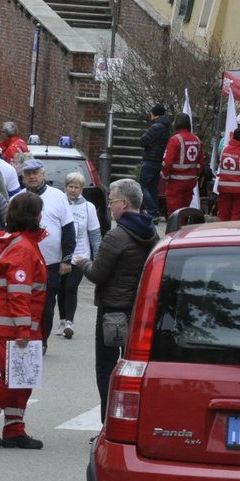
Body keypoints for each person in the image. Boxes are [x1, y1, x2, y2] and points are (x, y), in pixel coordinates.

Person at [0, 190, 48, 449]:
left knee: (23, 377)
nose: (41, 215)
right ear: (32, 216)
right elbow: (19, 292)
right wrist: (24, 329)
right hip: (14, 324)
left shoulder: (20, 243)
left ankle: (15, 428)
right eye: (39, 211)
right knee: (14, 377)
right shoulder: (24, 247)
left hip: (16, 322)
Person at [80, 178, 156, 419]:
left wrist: (83, 263)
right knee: (135, 366)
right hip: (139, 309)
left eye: (111, 201)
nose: (109, 206)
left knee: (107, 368)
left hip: (112, 311)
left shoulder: (116, 237)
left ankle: (107, 421)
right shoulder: (152, 233)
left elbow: (97, 274)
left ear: (124, 203)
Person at [18, 160, 74, 347]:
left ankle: (42, 340)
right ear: (23, 177)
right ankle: (27, 338)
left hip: (51, 263)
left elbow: (68, 229)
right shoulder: (17, 199)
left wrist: (66, 259)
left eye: (36, 173)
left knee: (47, 307)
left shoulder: (58, 196)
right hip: (24, 263)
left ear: (44, 175)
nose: (32, 177)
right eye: (28, 174)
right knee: (24, 303)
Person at [60, 171, 102, 339]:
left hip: (80, 255)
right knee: (61, 289)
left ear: (82, 189)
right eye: (70, 186)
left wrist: (97, 256)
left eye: (76, 187)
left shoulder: (88, 207)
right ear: (65, 187)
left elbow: (95, 234)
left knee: (71, 287)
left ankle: (70, 322)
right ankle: (62, 320)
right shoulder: (60, 203)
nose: (73, 190)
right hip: (61, 255)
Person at [160, 113, 203, 217]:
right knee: (184, 212)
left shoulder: (175, 140)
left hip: (176, 181)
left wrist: (164, 175)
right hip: (190, 182)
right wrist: (195, 175)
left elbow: (168, 161)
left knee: (174, 214)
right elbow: (201, 162)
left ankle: (175, 233)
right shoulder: (197, 140)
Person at [137, 104, 169, 217]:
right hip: (158, 161)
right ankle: (154, 212)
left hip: (150, 160)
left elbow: (142, 141)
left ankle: (152, 211)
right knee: (153, 188)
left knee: (143, 185)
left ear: (155, 114)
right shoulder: (165, 126)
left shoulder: (156, 127)